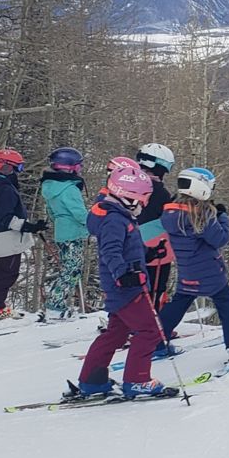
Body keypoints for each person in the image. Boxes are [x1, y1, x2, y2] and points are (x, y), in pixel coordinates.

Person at [75, 156, 168, 399]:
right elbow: (111, 252)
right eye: (142, 200)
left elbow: (128, 247)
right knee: (150, 332)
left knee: (116, 334)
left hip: (124, 285)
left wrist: (148, 252)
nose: (144, 205)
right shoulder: (115, 219)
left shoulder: (118, 214)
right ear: (127, 195)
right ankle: (137, 380)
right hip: (126, 288)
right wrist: (124, 275)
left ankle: (92, 380)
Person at [154, 166, 229, 362]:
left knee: (179, 303)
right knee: (227, 304)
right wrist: (222, 217)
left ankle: (156, 342)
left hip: (186, 270)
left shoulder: (170, 212)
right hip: (209, 272)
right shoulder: (201, 213)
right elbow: (220, 239)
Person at [0, 148, 42, 321]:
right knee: (6, 273)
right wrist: (28, 226)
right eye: (17, 168)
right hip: (9, 237)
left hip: (6, 236)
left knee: (2, 271)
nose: (18, 172)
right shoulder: (4, 188)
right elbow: (5, 218)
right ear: (7, 167)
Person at [40, 147, 90, 321]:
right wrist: (94, 224)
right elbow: (80, 213)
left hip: (62, 231)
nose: (80, 169)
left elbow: (51, 212)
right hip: (73, 231)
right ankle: (55, 304)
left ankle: (57, 302)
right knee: (73, 269)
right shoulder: (69, 189)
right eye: (78, 165)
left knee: (69, 266)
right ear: (69, 167)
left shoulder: (51, 187)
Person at [134, 142, 177, 304]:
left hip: (131, 245)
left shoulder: (128, 185)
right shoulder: (159, 192)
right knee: (155, 287)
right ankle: (152, 324)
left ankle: (123, 321)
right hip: (157, 249)